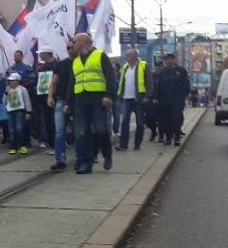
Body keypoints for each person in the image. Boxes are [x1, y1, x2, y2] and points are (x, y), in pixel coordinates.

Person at [64, 32, 115, 174]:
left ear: (82, 42)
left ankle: (107, 155)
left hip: (98, 98)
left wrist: (108, 95)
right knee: (82, 132)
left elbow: (110, 76)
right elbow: (72, 83)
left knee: (101, 130)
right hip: (80, 99)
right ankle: (87, 163)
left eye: (74, 42)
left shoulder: (100, 55)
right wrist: (68, 102)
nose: (72, 45)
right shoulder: (76, 61)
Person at [115, 48, 154, 151]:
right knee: (124, 121)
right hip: (126, 98)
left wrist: (147, 96)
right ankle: (123, 144)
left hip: (139, 99)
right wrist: (119, 98)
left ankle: (137, 144)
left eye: (127, 55)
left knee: (140, 122)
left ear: (134, 56)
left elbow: (149, 82)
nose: (125, 57)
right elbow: (121, 83)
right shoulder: (125, 67)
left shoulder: (143, 66)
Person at [46, 38, 76, 171]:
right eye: (68, 48)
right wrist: (50, 96)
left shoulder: (82, 63)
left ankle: (81, 158)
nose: (70, 50)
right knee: (59, 131)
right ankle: (60, 160)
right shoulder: (61, 64)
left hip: (78, 101)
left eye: (72, 47)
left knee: (81, 131)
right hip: (61, 99)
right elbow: (54, 83)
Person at [153, 52, 190, 146]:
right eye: (166, 59)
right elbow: (159, 86)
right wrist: (156, 97)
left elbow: (186, 83)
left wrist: (186, 94)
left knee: (176, 117)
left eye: (169, 59)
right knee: (167, 119)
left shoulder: (181, 70)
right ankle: (168, 138)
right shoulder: (163, 72)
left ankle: (177, 137)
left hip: (177, 98)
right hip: (165, 99)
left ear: (173, 59)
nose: (167, 61)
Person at [4, 73, 32, 154]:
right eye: (9, 81)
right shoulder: (8, 89)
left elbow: (27, 101)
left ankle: (23, 144)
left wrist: (28, 112)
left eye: (12, 81)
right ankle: (13, 146)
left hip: (20, 111)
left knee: (19, 128)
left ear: (17, 81)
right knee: (11, 130)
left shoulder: (23, 89)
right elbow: (4, 102)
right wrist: (6, 93)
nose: (10, 82)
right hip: (10, 111)